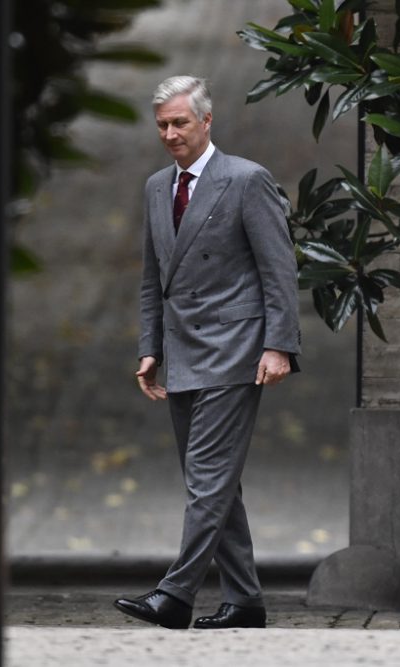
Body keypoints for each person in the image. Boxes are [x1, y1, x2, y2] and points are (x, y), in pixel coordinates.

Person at [114, 75, 300, 630]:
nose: (171, 134)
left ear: (207, 121)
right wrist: (150, 348)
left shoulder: (246, 180)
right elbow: (154, 279)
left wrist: (279, 345)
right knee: (218, 484)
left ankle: (175, 594)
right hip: (181, 353)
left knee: (207, 478)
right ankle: (245, 600)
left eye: (180, 123)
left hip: (236, 351)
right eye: (163, 125)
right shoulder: (155, 187)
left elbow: (279, 268)